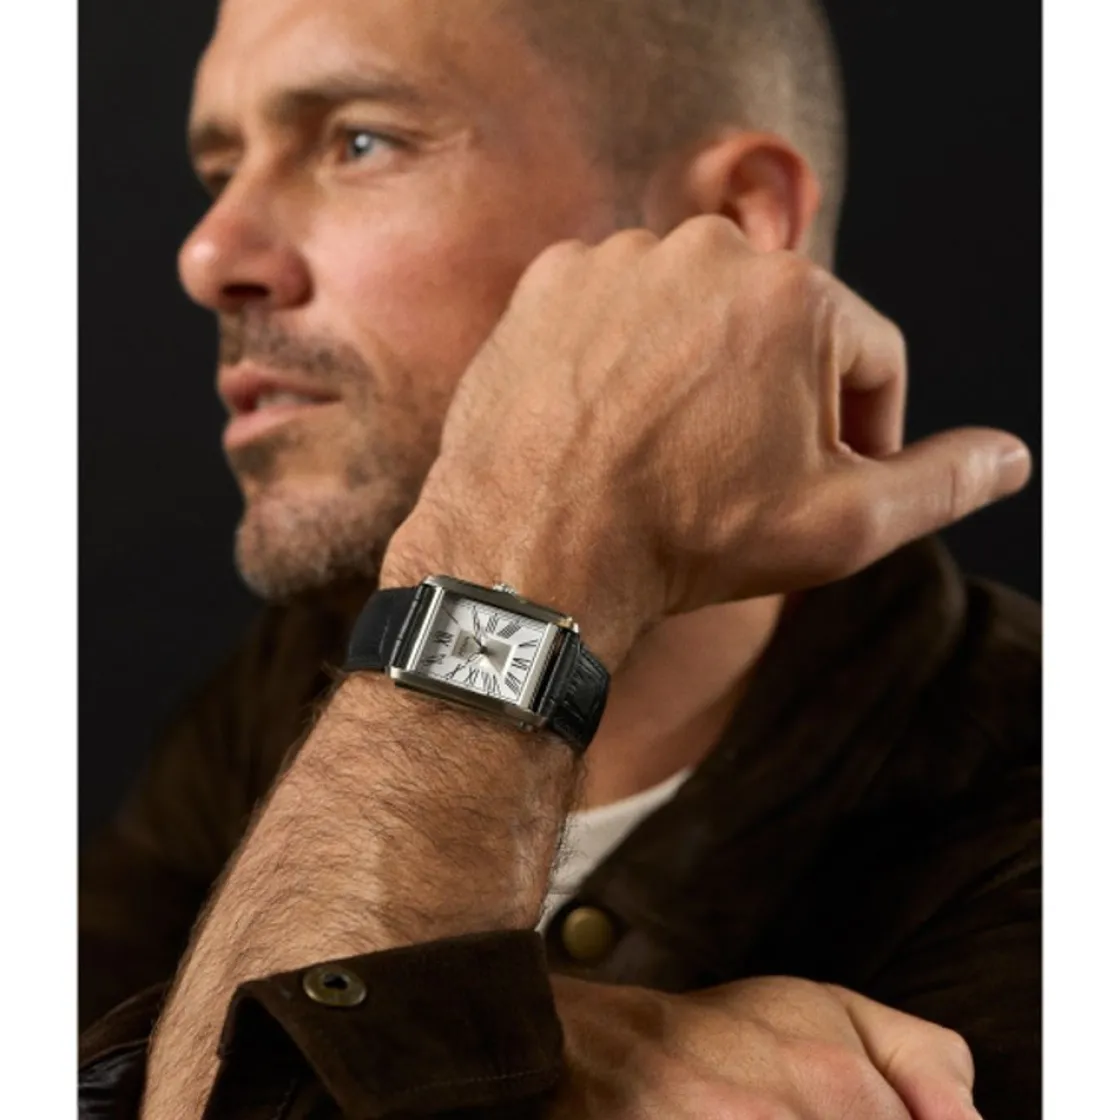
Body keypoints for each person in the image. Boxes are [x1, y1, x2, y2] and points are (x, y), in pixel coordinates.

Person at [78, 0, 1040, 1118]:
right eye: (220, 170)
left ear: (726, 224)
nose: (208, 256)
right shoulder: (288, 679)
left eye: (360, 141)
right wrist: (532, 1044)